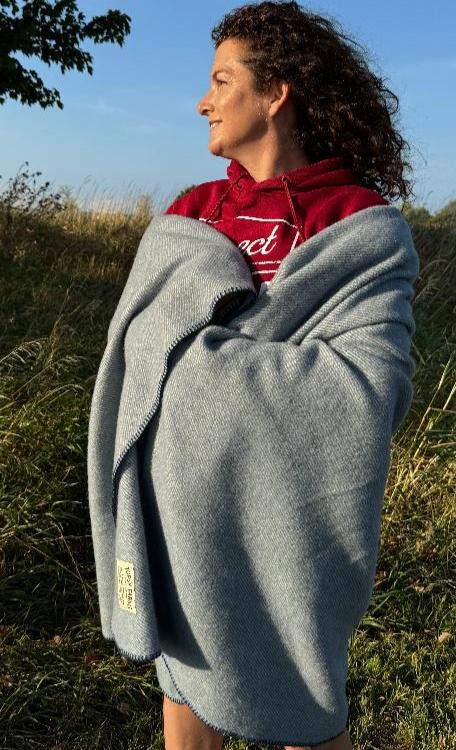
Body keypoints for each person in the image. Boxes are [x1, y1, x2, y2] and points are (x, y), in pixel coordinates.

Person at [157, 2, 415, 748]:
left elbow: (368, 387)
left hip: (298, 509)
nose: (203, 100)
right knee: (187, 673)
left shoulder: (359, 221)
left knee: (305, 690)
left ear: (275, 94)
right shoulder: (194, 212)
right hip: (187, 497)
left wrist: (206, 371)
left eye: (221, 81)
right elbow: (147, 351)